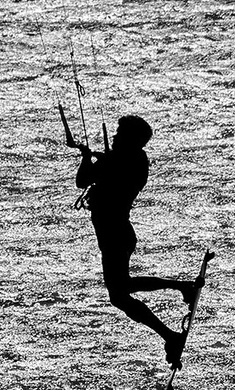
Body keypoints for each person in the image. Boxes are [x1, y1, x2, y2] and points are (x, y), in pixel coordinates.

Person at [75, 115, 199, 369]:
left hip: (115, 234)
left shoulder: (124, 162)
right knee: (121, 292)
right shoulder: (129, 160)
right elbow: (89, 177)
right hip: (115, 233)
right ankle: (171, 329)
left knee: (120, 292)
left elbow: (82, 180)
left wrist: (89, 157)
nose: (116, 137)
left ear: (131, 139)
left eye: (120, 134)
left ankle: (180, 298)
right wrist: (91, 157)